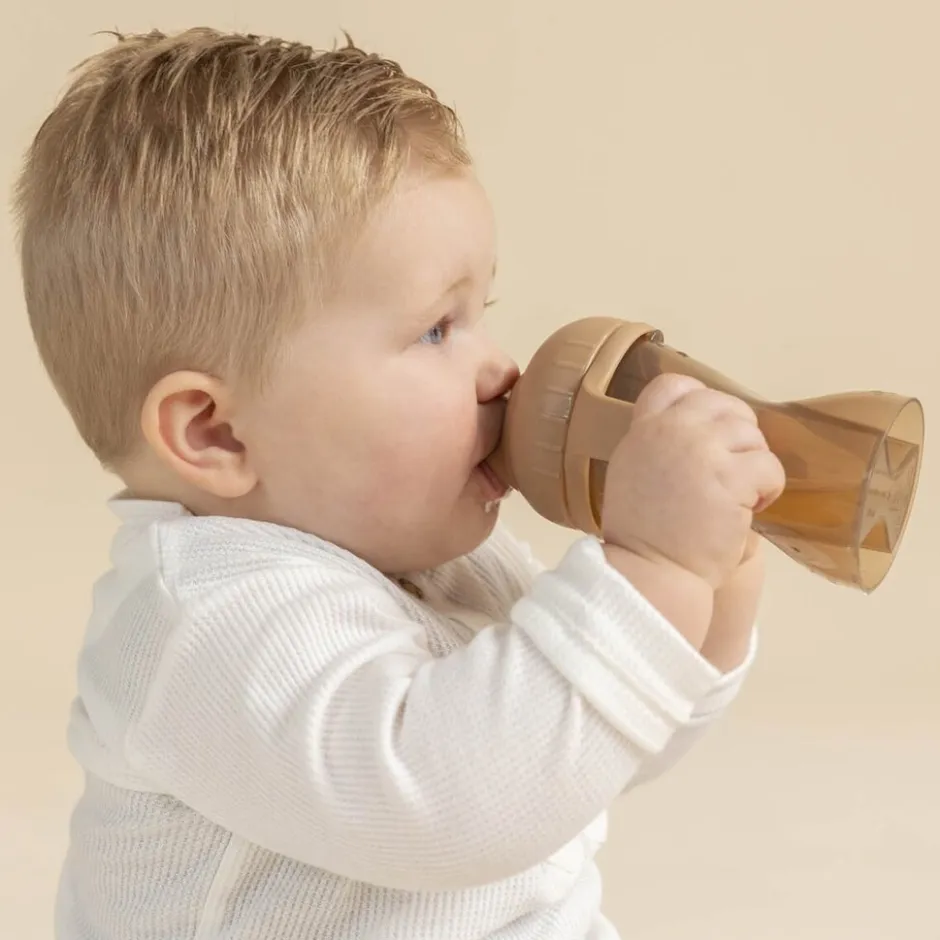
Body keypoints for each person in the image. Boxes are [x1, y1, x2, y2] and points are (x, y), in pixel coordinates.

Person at [12, 27, 784, 940]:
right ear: (217, 431)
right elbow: (454, 803)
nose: (500, 369)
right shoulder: (206, 624)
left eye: (482, 313)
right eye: (435, 331)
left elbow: (574, 755)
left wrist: (714, 584)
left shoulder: (437, 554)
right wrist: (653, 570)